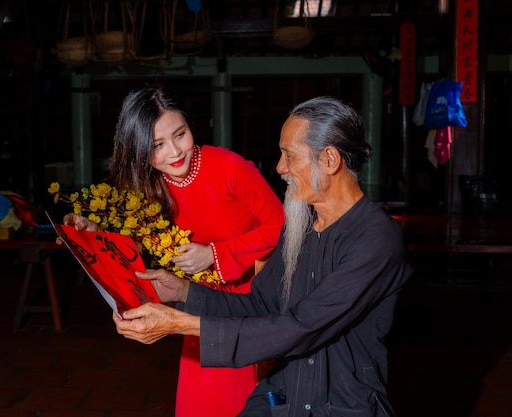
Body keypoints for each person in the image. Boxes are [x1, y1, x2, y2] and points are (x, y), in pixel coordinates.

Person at [113, 96, 414, 417]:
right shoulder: (303, 223)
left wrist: (182, 324)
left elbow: (303, 327)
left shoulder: (377, 239)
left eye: (289, 155)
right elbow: (260, 304)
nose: (279, 168)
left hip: (342, 402)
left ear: (329, 160)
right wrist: (183, 292)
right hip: (282, 395)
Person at [61, 86, 285, 417]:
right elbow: (139, 243)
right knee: (202, 404)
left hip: (250, 302)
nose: (175, 152)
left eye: (180, 135)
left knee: (243, 403)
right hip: (198, 303)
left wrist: (214, 254)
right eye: (157, 146)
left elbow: (282, 226)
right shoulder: (149, 186)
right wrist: (92, 231)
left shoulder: (228, 167)